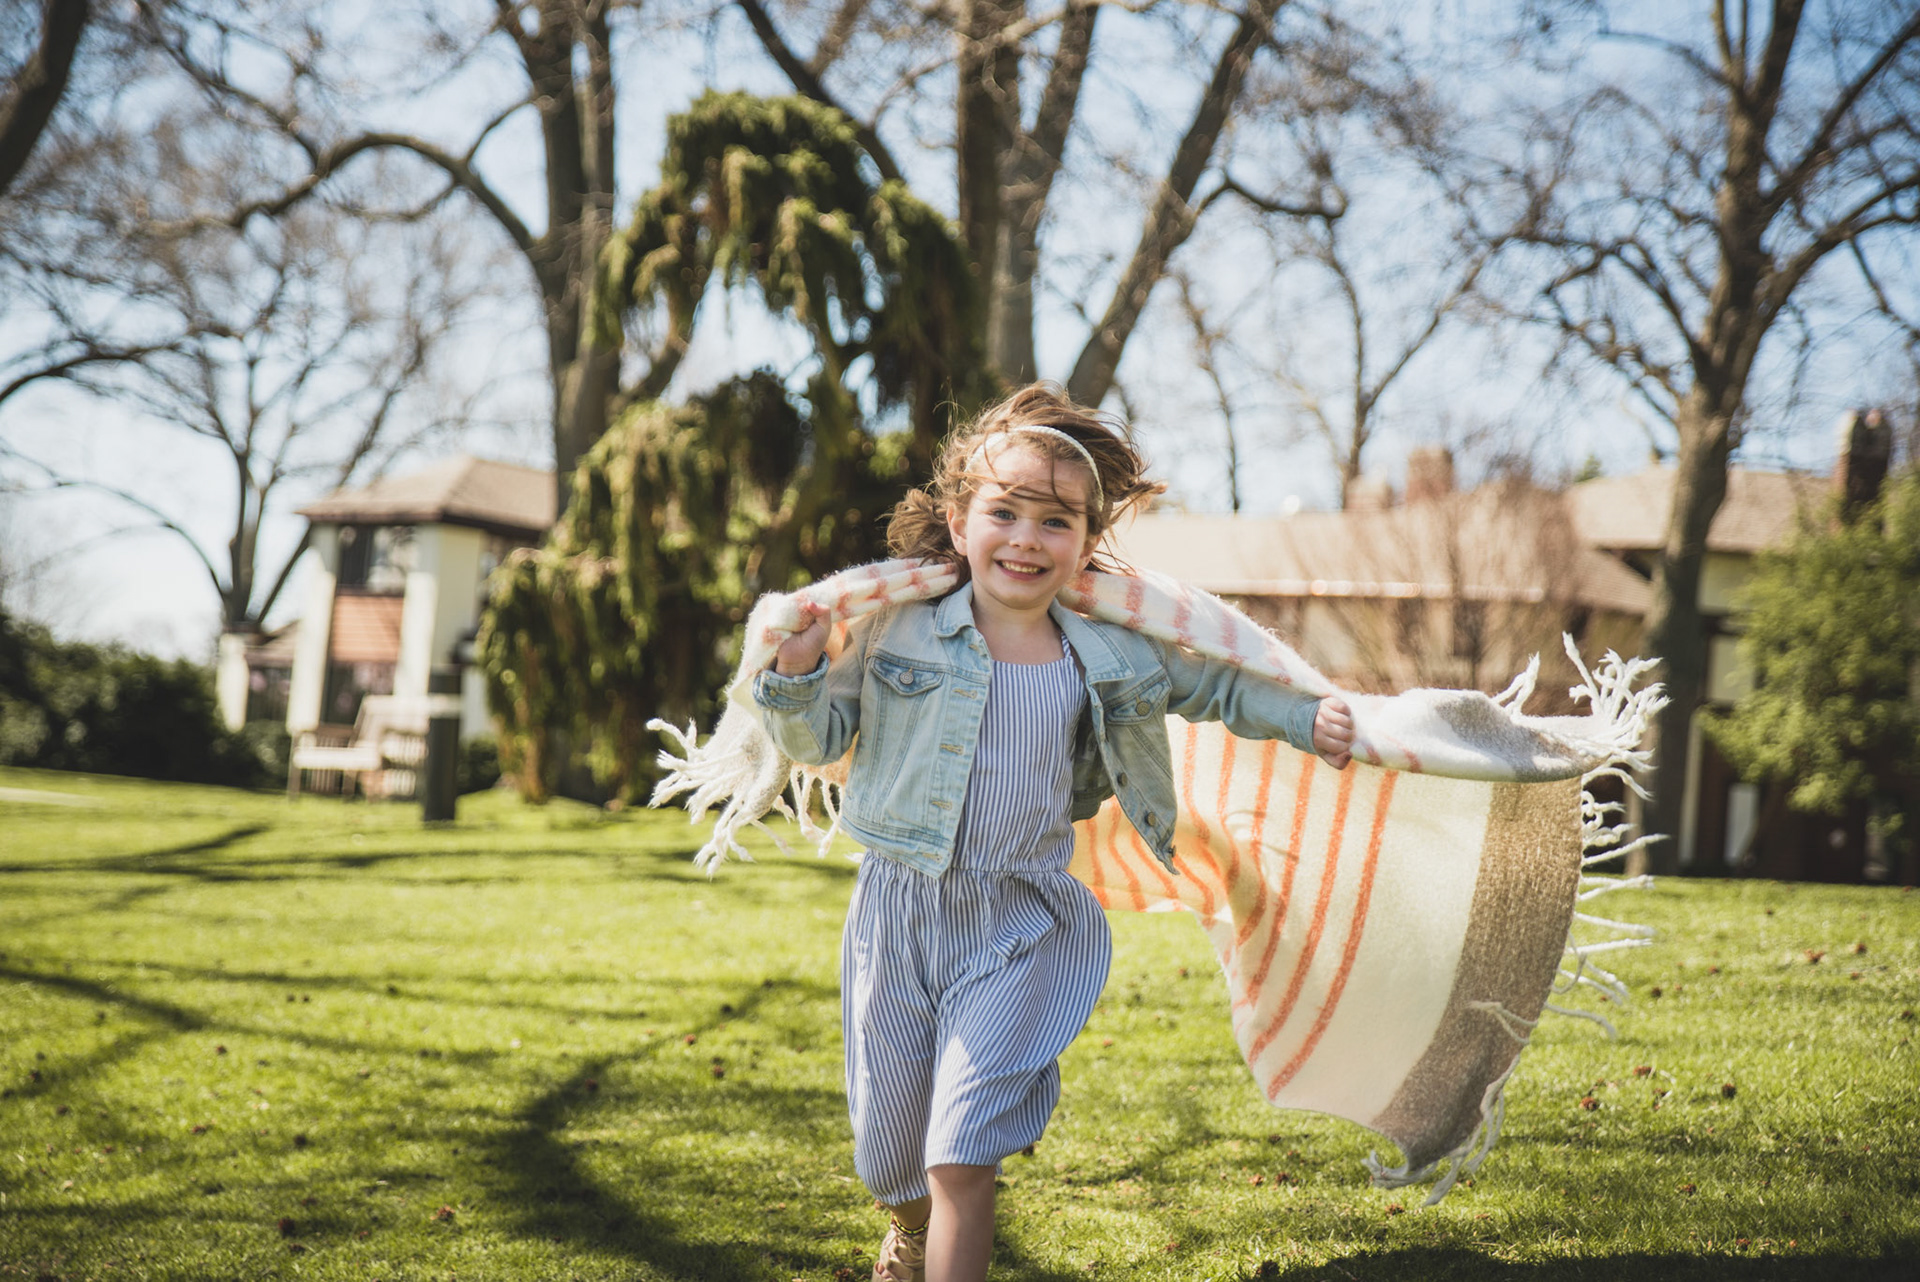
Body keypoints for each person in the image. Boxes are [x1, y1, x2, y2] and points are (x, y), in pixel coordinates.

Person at [751, 384, 1355, 1282]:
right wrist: (797, 670)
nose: (1027, 539)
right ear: (959, 522)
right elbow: (816, 740)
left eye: (1056, 521)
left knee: (960, 1152)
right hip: (898, 917)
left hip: (1020, 924)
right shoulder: (896, 630)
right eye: (1005, 512)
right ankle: (908, 1231)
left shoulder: (1106, 649)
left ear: (1086, 540)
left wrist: (1307, 717)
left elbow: (1218, 683)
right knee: (890, 1156)